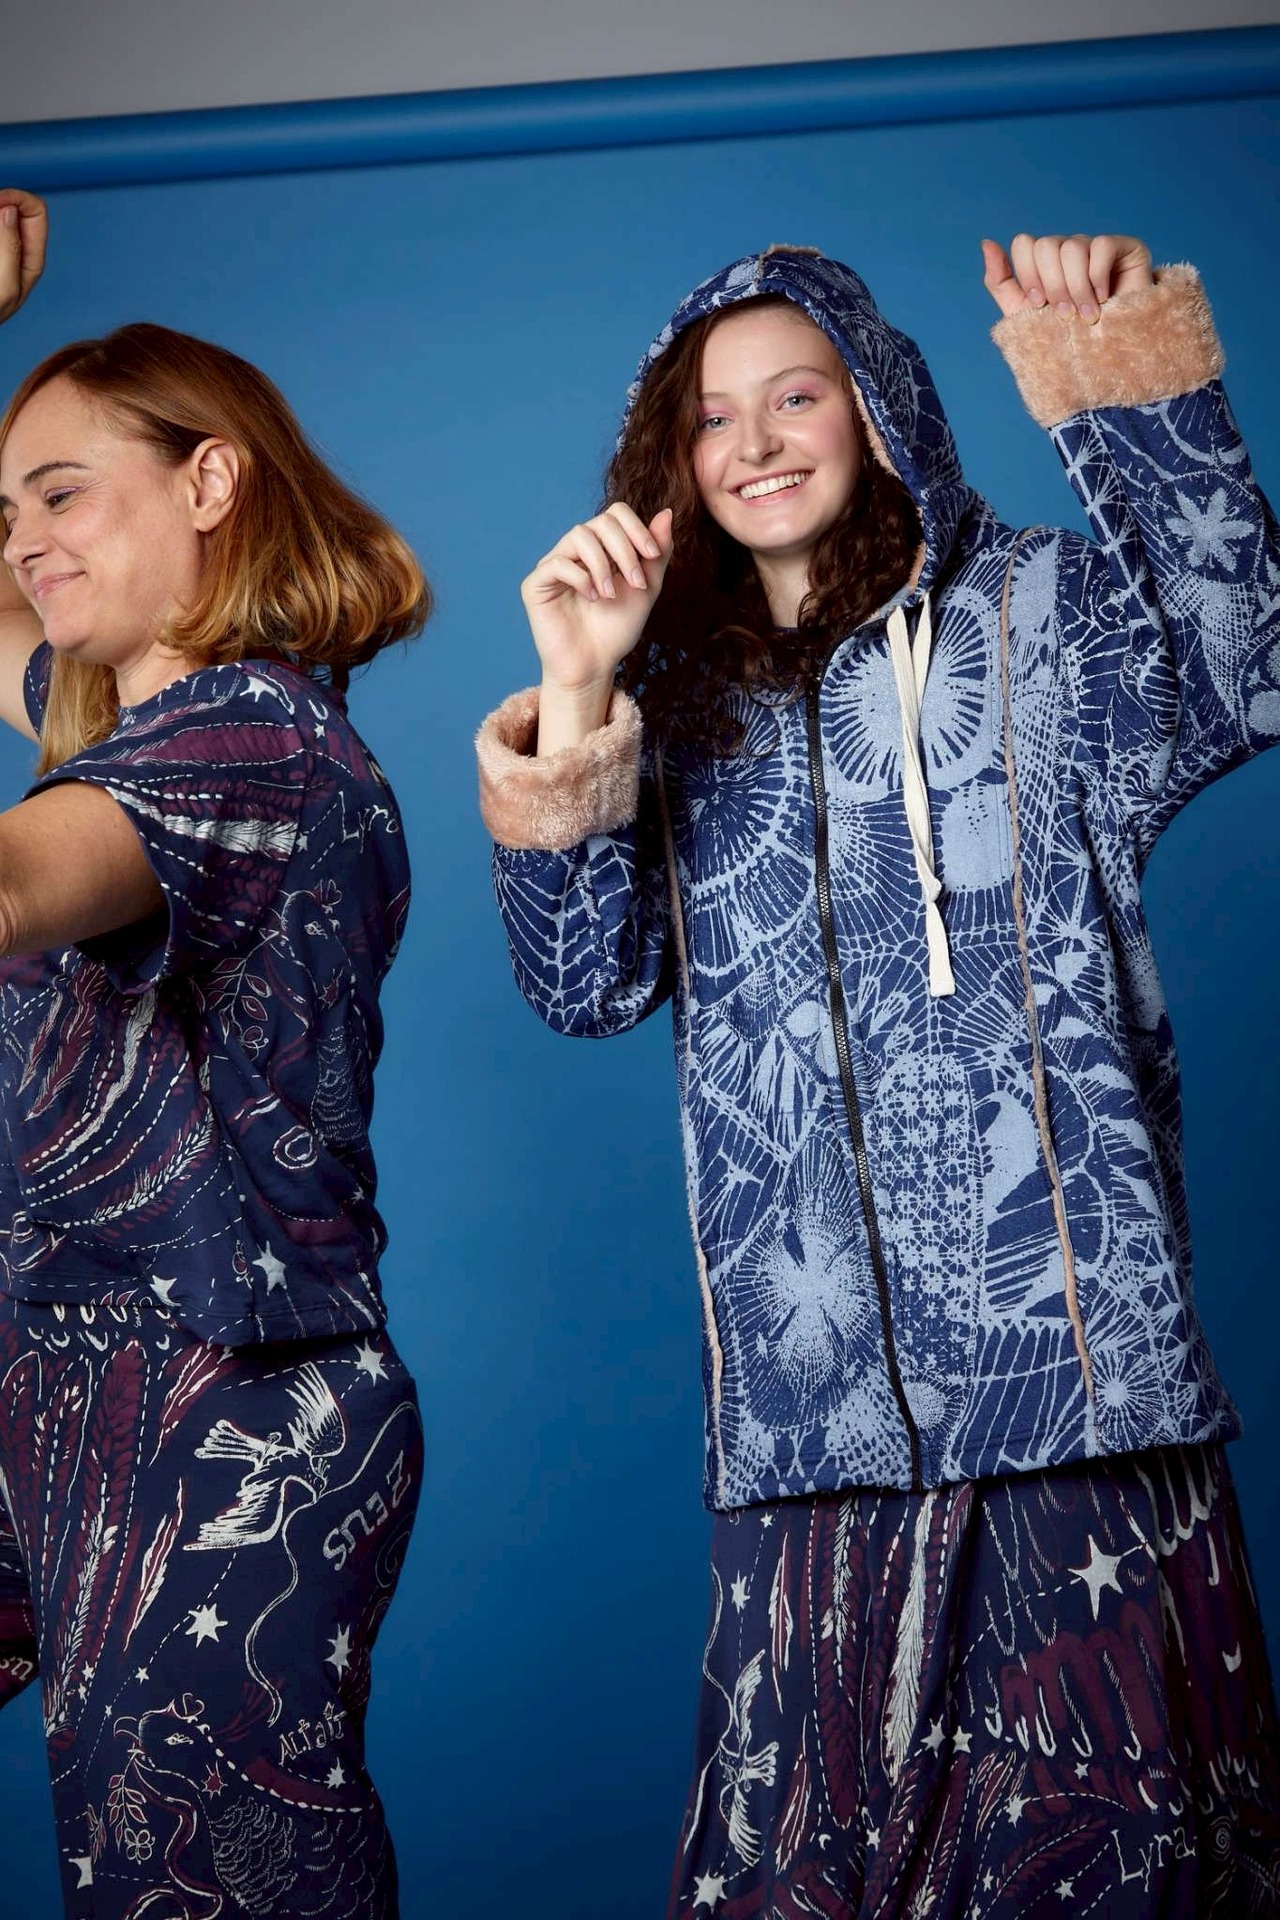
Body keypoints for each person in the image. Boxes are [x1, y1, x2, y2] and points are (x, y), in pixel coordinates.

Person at [476, 230, 1280, 1914]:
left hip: (1079, 1392)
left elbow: (1245, 668)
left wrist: (1118, 375)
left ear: (881, 406)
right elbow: (578, 985)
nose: (756, 443)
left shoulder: (1041, 615)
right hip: (808, 1426)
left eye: (798, 397)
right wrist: (577, 686)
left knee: (1108, 1874)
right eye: (712, 418)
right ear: (668, 462)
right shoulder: (672, 709)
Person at [0, 189, 427, 1918]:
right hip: (73, 1381)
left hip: (224, 1407)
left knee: (202, 1888)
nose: (25, 541)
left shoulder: (248, 735)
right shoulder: (147, 731)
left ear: (209, 482)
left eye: (61, 494)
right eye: (6, 511)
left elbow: (13, 889)